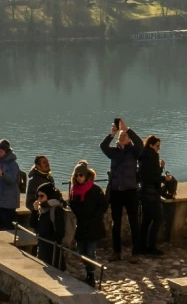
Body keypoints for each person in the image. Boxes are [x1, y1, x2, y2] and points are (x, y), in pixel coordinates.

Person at [99, 118, 143, 260]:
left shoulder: (134, 152)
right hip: (116, 191)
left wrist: (127, 128)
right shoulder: (113, 152)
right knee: (115, 223)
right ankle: (116, 252)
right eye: (121, 135)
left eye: (125, 135)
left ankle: (135, 253)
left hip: (131, 191)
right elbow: (103, 146)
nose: (122, 136)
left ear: (129, 139)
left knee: (133, 223)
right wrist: (112, 133)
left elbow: (141, 144)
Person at [68, 160, 109, 287]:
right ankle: (88, 271)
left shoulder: (95, 190)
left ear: (86, 176)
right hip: (81, 225)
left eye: (81, 175)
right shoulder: (74, 191)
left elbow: (103, 206)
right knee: (81, 251)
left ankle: (91, 275)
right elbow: (73, 206)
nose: (79, 177)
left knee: (90, 251)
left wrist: (95, 216)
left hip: (93, 225)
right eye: (77, 175)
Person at [136, 135, 173, 256]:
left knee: (146, 220)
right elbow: (153, 177)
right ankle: (151, 247)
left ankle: (142, 246)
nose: (158, 149)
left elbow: (148, 174)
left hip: (143, 192)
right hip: (151, 193)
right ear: (151, 145)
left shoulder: (143, 156)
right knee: (158, 218)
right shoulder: (152, 157)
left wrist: (160, 167)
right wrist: (164, 178)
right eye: (157, 146)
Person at [33, 181, 68, 271]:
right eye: (38, 196)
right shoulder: (42, 209)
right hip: (42, 245)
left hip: (52, 249)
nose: (39, 199)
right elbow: (32, 224)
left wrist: (51, 242)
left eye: (42, 196)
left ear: (49, 196)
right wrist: (34, 211)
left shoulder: (56, 210)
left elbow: (60, 232)